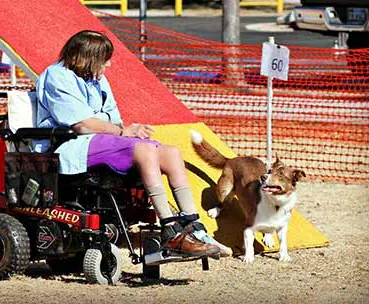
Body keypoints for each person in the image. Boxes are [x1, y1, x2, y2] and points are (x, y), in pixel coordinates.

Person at [35, 30, 231, 258]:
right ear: (88, 58)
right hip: (69, 145)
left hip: (101, 139)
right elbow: (82, 124)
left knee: (170, 152)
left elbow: (111, 117)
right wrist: (121, 131)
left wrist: (122, 129)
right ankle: (170, 229)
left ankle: (192, 225)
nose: (108, 65)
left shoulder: (96, 78)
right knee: (144, 149)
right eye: (104, 59)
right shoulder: (57, 76)